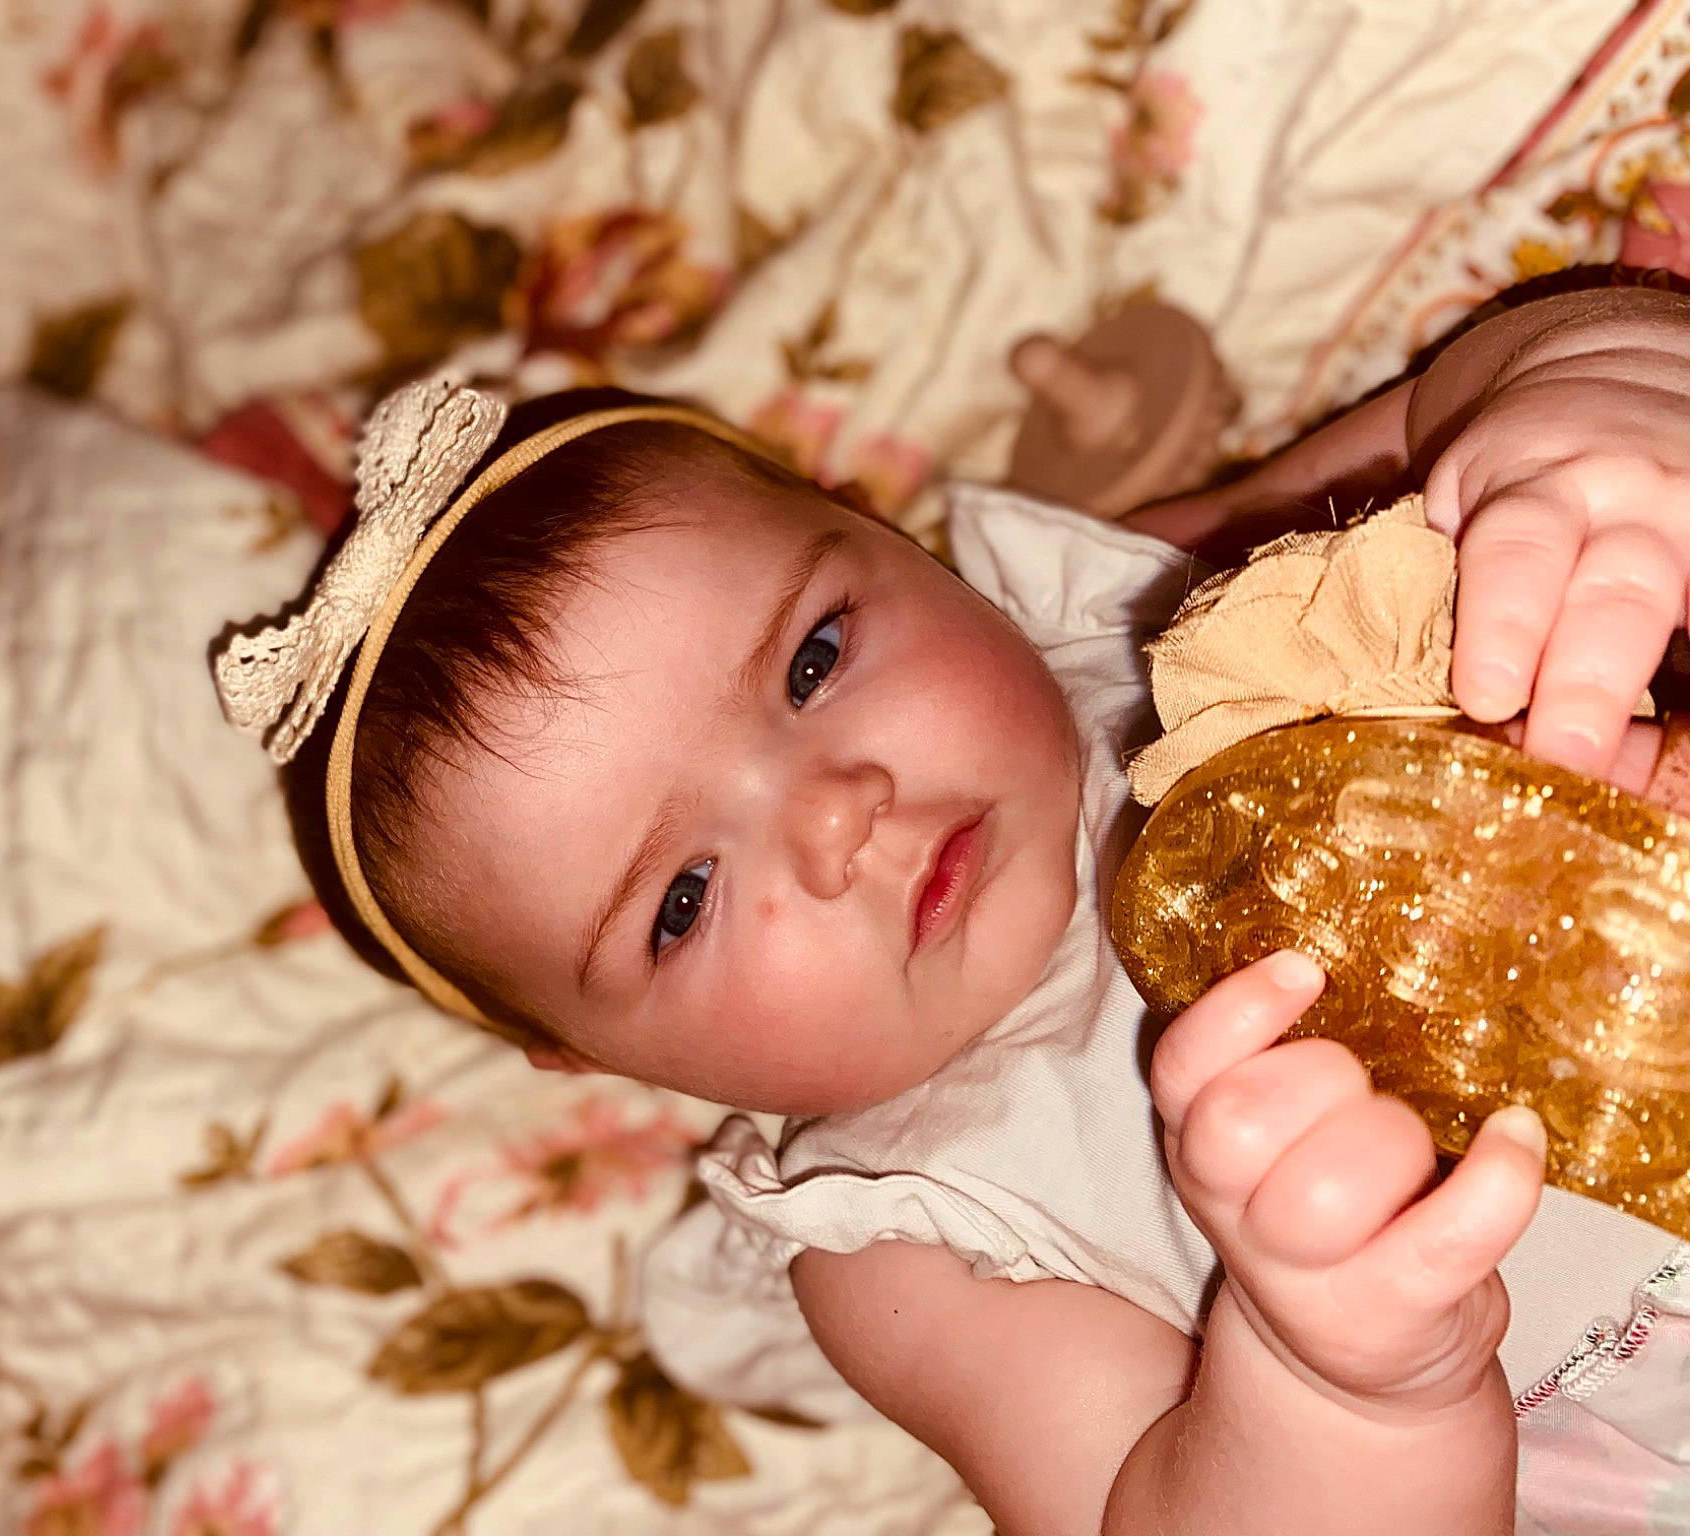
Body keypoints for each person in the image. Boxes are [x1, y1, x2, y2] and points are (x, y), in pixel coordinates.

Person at [211, 283, 1690, 1534]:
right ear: (612, 1067)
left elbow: (1456, 408)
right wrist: (1341, 1381)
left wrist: (1586, 404)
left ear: (889, 536)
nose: (835, 813)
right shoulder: (905, 1240)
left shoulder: (1145, 600)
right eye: (679, 901)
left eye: (813, 661)